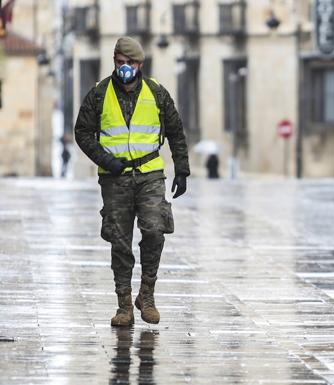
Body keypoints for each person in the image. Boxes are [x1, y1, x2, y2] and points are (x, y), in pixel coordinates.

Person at [74, 36, 190, 326]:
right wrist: (106, 161)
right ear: (114, 61)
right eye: (121, 62)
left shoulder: (157, 93)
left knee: (154, 231)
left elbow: (175, 131)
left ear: (141, 64)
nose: (126, 67)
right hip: (115, 178)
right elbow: (83, 132)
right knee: (119, 241)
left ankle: (146, 295)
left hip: (150, 173)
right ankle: (124, 305)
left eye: (132, 63)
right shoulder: (99, 94)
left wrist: (183, 169)